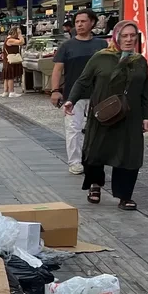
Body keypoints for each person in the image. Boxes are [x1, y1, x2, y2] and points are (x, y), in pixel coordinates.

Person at [65, 20, 148, 210]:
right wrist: (71, 99)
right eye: (124, 35)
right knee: (96, 151)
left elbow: (145, 91)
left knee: (129, 155)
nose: (128, 39)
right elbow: (83, 81)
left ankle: (124, 195)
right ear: (116, 36)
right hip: (103, 113)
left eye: (132, 36)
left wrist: (147, 116)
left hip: (131, 116)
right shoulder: (100, 57)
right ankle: (95, 184)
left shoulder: (140, 61)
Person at [51, 9, 106, 175]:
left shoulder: (101, 45)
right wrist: (55, 90)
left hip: (98, 93)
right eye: (77, 22)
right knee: (73, 128)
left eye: (83, 21)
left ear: (92, 23)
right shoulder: (67, 46)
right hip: (73, 94)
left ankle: (93, 159)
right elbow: (57, 69)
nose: (80, 25)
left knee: (97, 129)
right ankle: (75, 161)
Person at [1, 25, 25, 98]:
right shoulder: (10, 40)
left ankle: (5, 91)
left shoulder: (8, 39)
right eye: (17, 32)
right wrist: (20, 34)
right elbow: (22, 42)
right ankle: (11, 92)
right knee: (10, 76)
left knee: (7, 77)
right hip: (10, 60)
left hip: (7, 60)